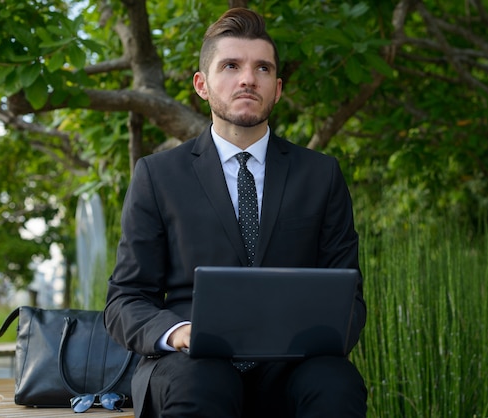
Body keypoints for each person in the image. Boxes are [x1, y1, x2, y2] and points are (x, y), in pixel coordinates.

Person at [104, 7, 367, 418]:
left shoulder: (321, 175)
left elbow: (349, 297)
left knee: (337, 384)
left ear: (277, 88)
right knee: (204, 384)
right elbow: (125, 299)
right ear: (202, 85)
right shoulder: (158, 176)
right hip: (190, 364)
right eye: (230, 65)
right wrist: (178, 334)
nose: (248, 78)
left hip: (292, 364)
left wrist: (313, 337)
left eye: (262, 68)